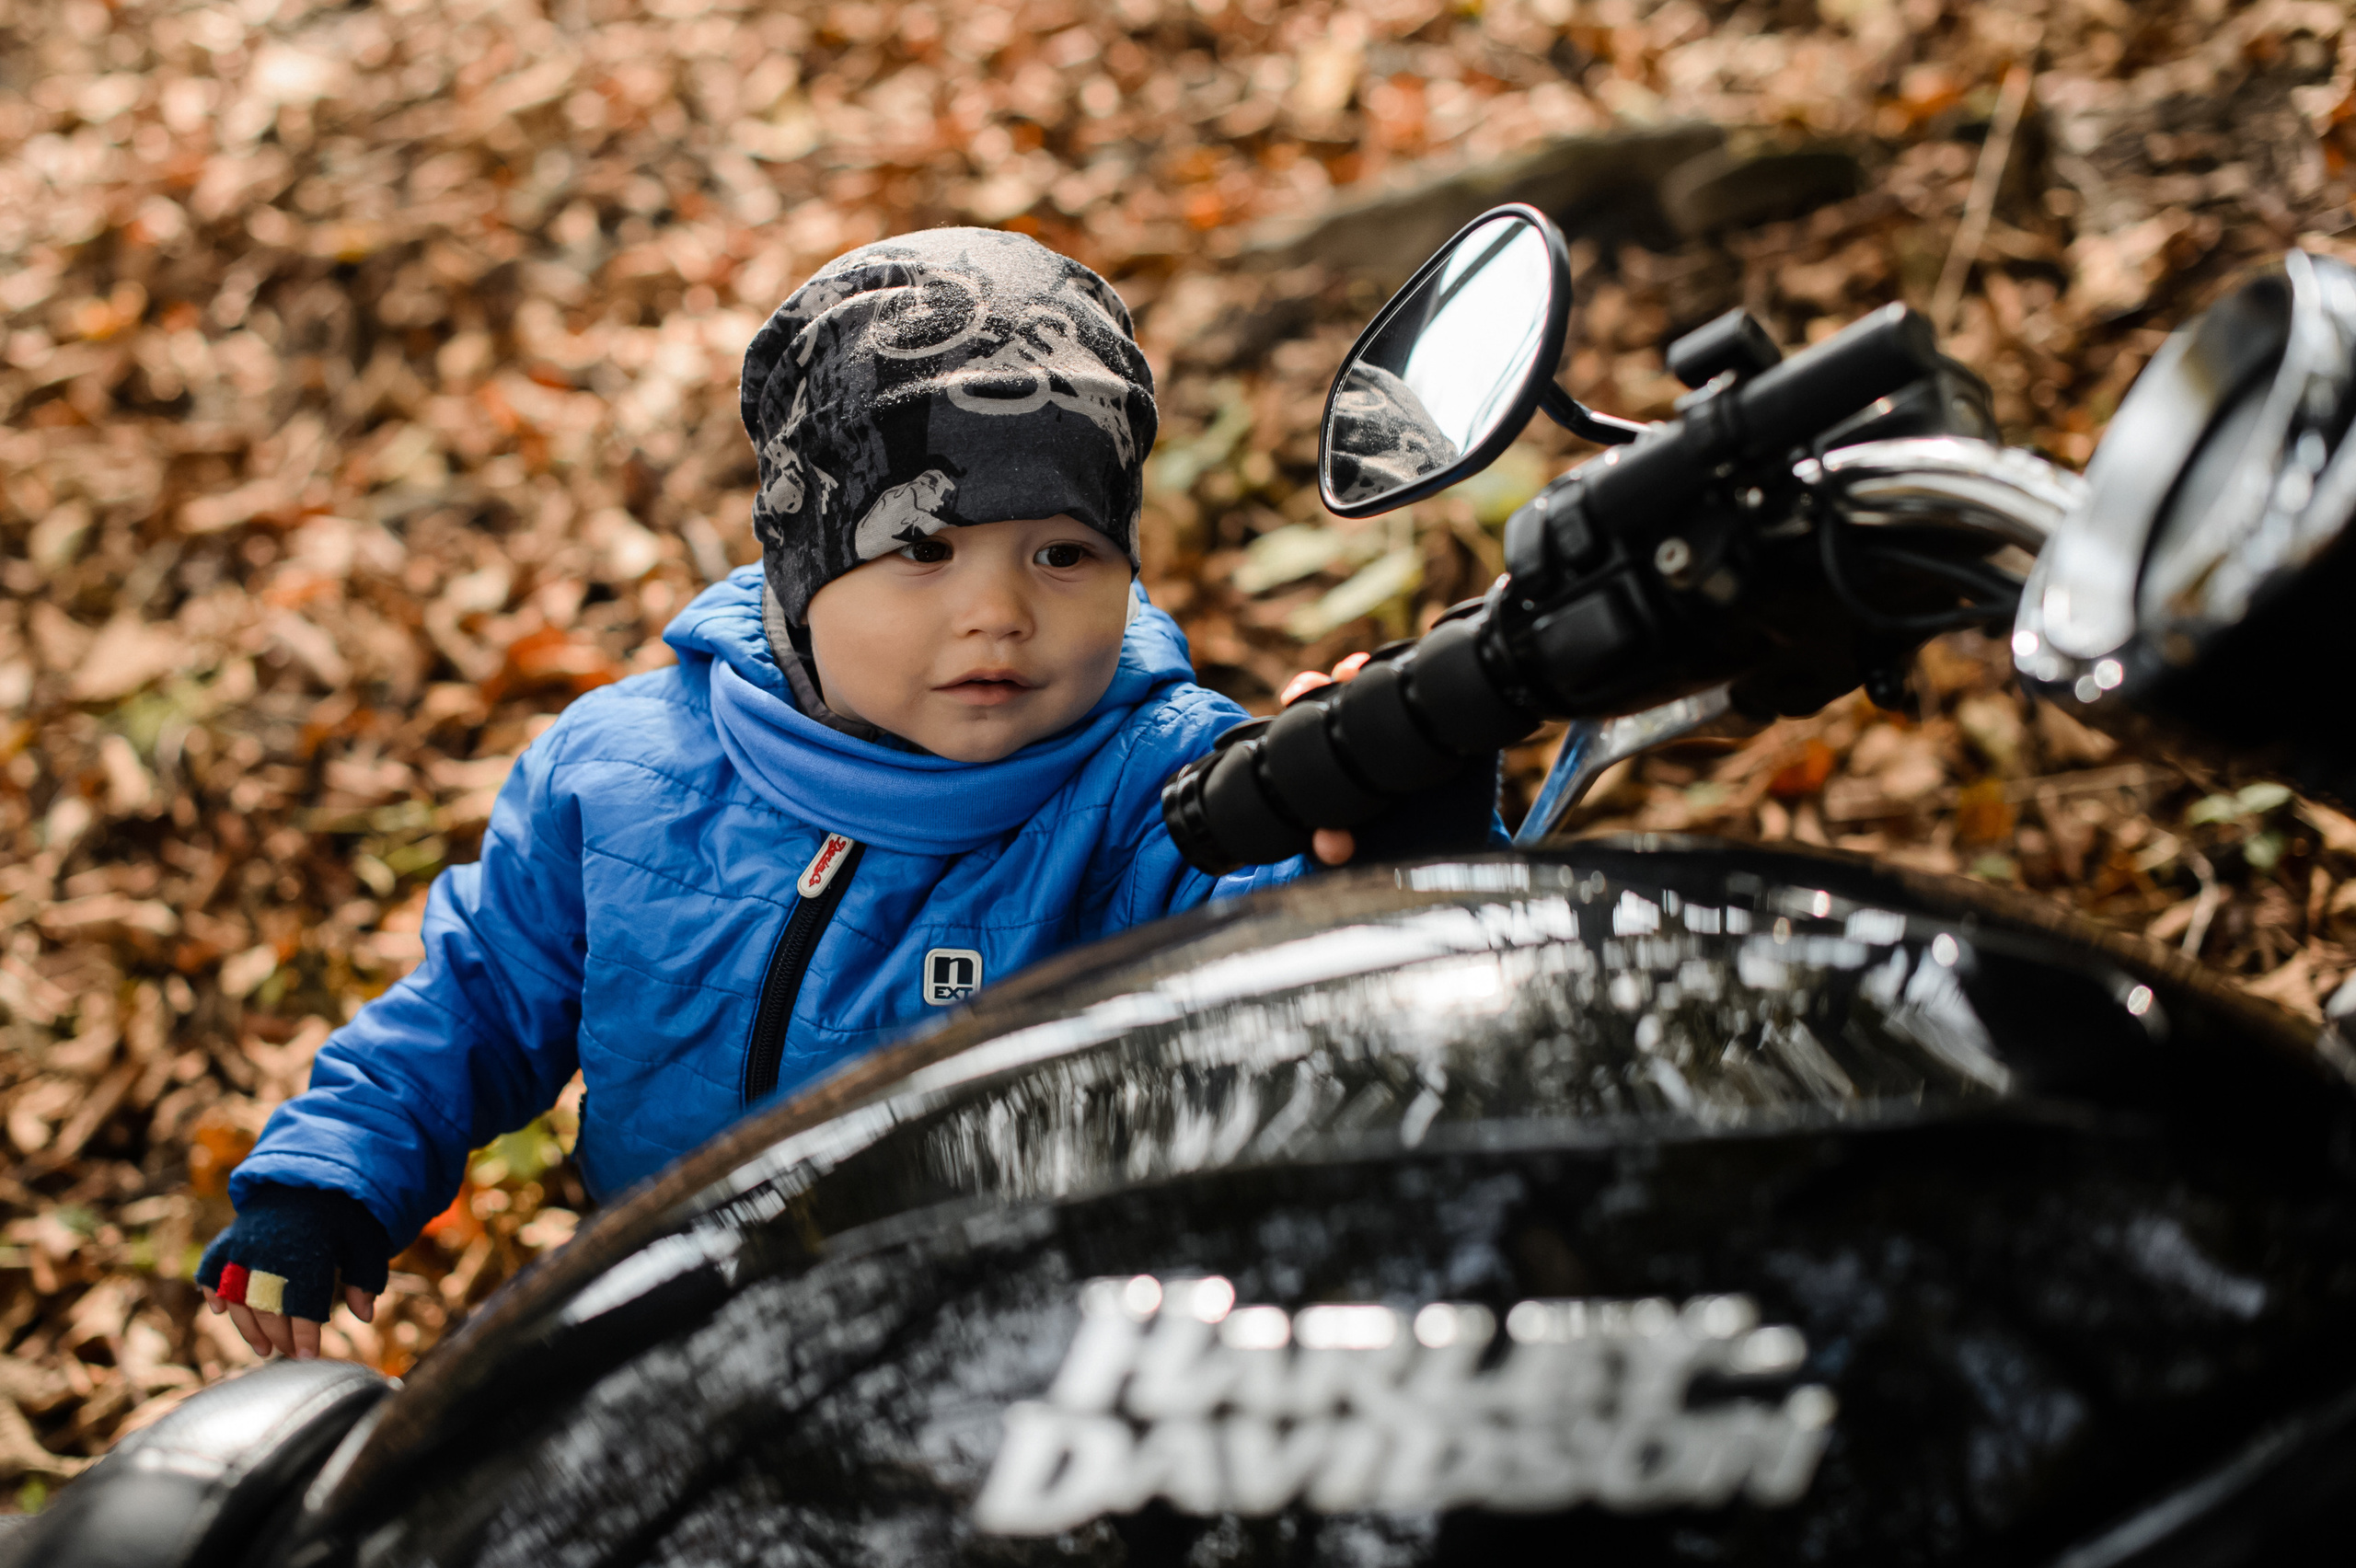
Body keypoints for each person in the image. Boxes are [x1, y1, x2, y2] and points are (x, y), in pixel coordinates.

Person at [193, 228, 1502, 1359]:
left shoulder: (1166, 792)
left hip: (1022, 1373)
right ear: (802, 560)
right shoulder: (624, 775)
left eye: (1062, 552)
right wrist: (326, 1187)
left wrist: (1396, 825)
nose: (998, 612)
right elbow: (476, 999)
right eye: (920, 550)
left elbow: (1327, 984)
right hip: (664, 1339)